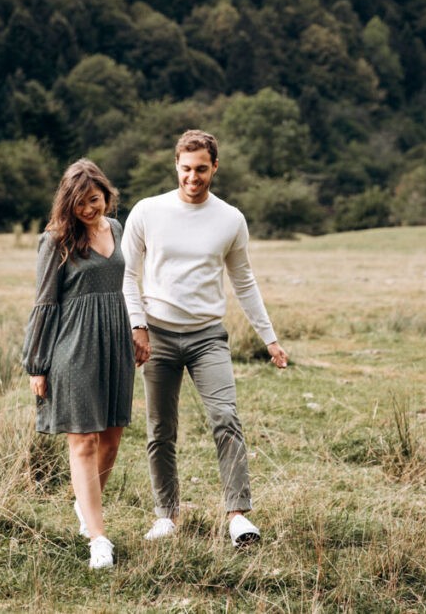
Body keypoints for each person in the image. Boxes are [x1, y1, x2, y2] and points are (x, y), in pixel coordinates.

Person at [122, 129, 288, 547]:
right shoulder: (147, 211)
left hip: (207, 337)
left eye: (201, 169)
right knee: (160, 428)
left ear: (215, 167)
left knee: (226, 419)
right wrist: (137, 326)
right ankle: (166, 516)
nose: (192, 177)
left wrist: (269, 338)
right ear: (175, 166)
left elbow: (244, 282)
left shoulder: (230, 219)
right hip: (157, 334)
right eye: (185, 169)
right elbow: (127, 274)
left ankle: (237, 517)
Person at [22, 159, 134, 570]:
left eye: (95, 199)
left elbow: (130, 282)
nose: (89, 209)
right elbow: (44, 302)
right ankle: (98, 538)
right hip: (73, 346)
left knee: (113, 437)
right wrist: (37, 364)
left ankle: (85, 507)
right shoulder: (55, 240)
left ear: (106, 194)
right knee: (83, 440)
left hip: (115, 342)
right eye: (80, 203)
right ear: (67, 205)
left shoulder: (117, 229)